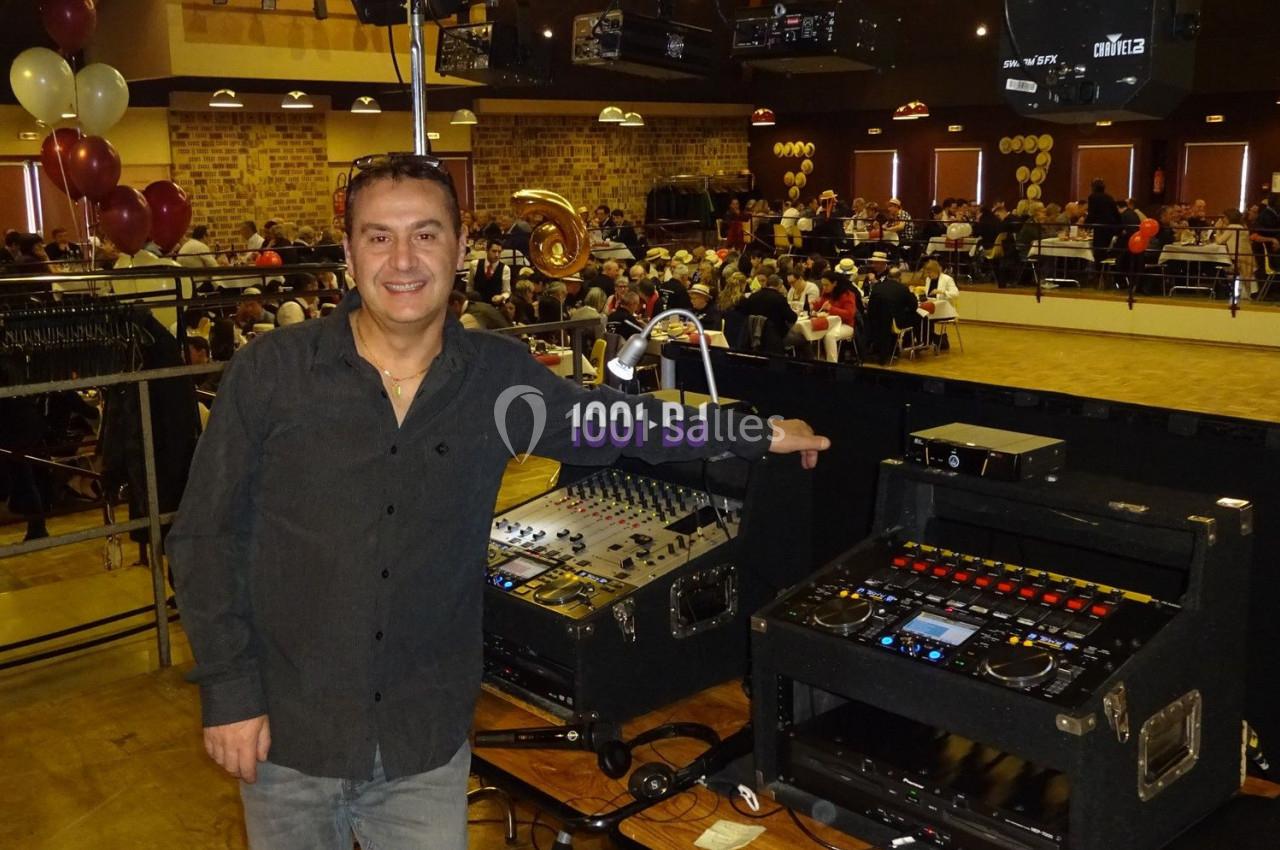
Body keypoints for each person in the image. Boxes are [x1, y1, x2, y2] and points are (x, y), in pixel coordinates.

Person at [169, 154, 831, 850]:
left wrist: (754, 433)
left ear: (460, 248)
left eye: (426, 234)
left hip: (423, 743)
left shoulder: (496, 383)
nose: (403, 259)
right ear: (349, 251)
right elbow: (204, 538)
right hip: (288, 735)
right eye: (379, 236)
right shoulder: (272, 374)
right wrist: (230, 692)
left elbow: (616, 422)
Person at [867, 267, 919, 364]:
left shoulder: (877, 287)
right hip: (893, 323)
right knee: (917, 316)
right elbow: (913, 306)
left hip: (875, 323)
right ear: (899, 277)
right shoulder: (902, 288)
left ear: (888, 276)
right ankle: (910, 343)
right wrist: (911, 293)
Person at [811, 270, 856, 363]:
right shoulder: (826, 292)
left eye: (826, 285)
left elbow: (849, 314)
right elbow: (820, 306)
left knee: (829, 336)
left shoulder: (847, 295)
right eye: (823, 285)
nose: (824, 287)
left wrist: (831, 308)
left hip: (846, 325)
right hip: (830, 323)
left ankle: (832, 364)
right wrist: (814, 304)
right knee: (813, 330)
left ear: (835, 283)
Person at [1085, 179, 1122, 261]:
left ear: (1093, 187)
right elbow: (1116, 213)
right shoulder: (1109, 197)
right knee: (1104, 251)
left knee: (1098, 252)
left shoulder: (1092, 197)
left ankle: (1097, 267)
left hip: (1100, 228)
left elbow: (1092, 213)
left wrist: (1086, 225)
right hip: (1110, 228)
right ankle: (1103, 267)